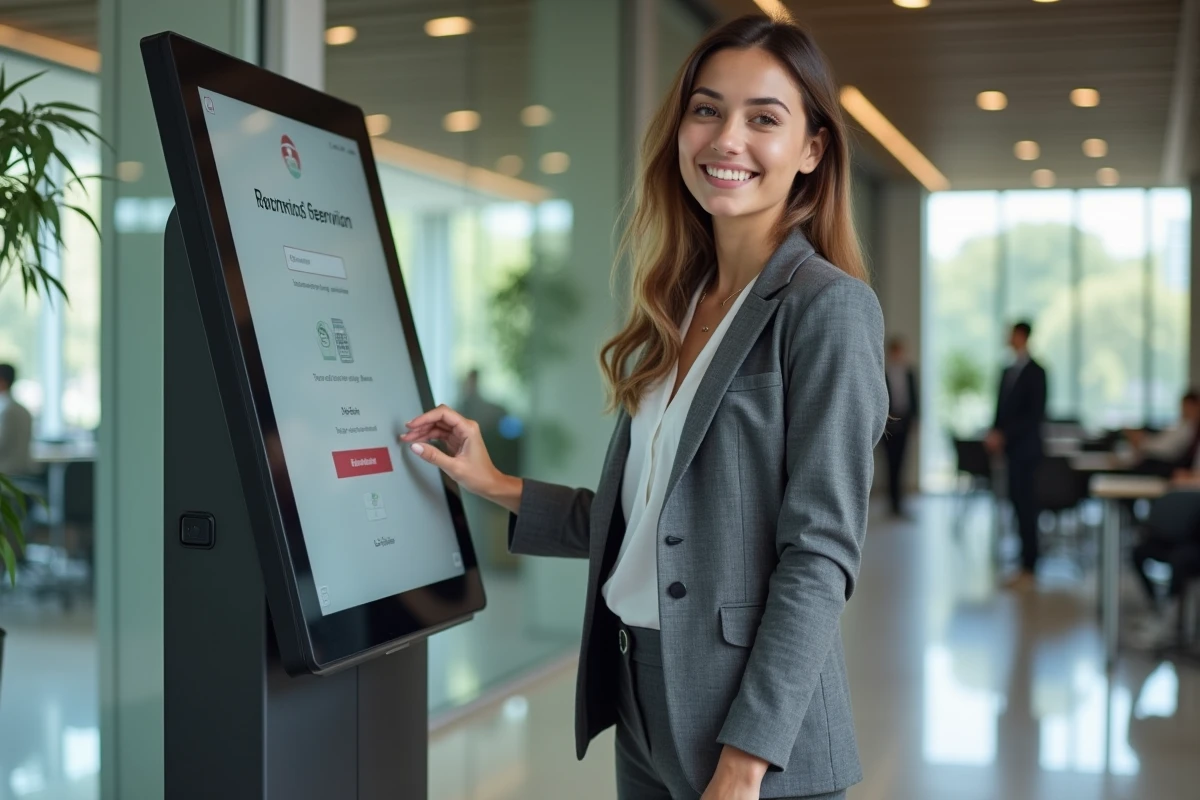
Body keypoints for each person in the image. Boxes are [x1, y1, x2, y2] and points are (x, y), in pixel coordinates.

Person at [402, 14, 886, 800]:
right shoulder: (680, 299)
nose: (727, 138)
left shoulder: (828, 308)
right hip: (644, 694)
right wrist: (498, 485)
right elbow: (657, 523)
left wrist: (747, 756)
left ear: (811, 150)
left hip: (754, 733)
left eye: (764, 118)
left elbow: (820, 556)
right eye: (707, 109)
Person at [985, 321, 1047, 590]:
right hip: (1010, 451)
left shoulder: (1038, 372)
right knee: (1015, 503)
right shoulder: (1006, 370)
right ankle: (1022, 563)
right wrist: (994, 432)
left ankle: (1030, 566)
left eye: (1011, 334)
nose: (1008, 338)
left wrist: (1005, 434)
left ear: (1022, 336)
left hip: (1027, 450)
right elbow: (1001, 410)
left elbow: (1034, 415)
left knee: (1027, 507)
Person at [1124, 390, 1200, 477]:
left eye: (1189, 407)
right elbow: (1162, 442)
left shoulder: (1190, 427)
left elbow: (1165, 448)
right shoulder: (1181, 424)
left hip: (1171, 464)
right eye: (1183, 406)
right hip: (1160, 457)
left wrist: (1142, 443)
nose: (1184, 410)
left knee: (1145, 463)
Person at [883, 336, 919, 516]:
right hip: (888, 424)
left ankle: (900, 502)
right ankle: (892, 503)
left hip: (904, 423)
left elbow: (915, 398)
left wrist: (915, 420)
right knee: (890, 464)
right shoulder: (883, 372)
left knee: (902, 463)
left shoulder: (909, 373)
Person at [0, 363, 35, 477]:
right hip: (21, 470)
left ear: (2, 382)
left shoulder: (7, 411)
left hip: (7, 474)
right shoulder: (22, 410)